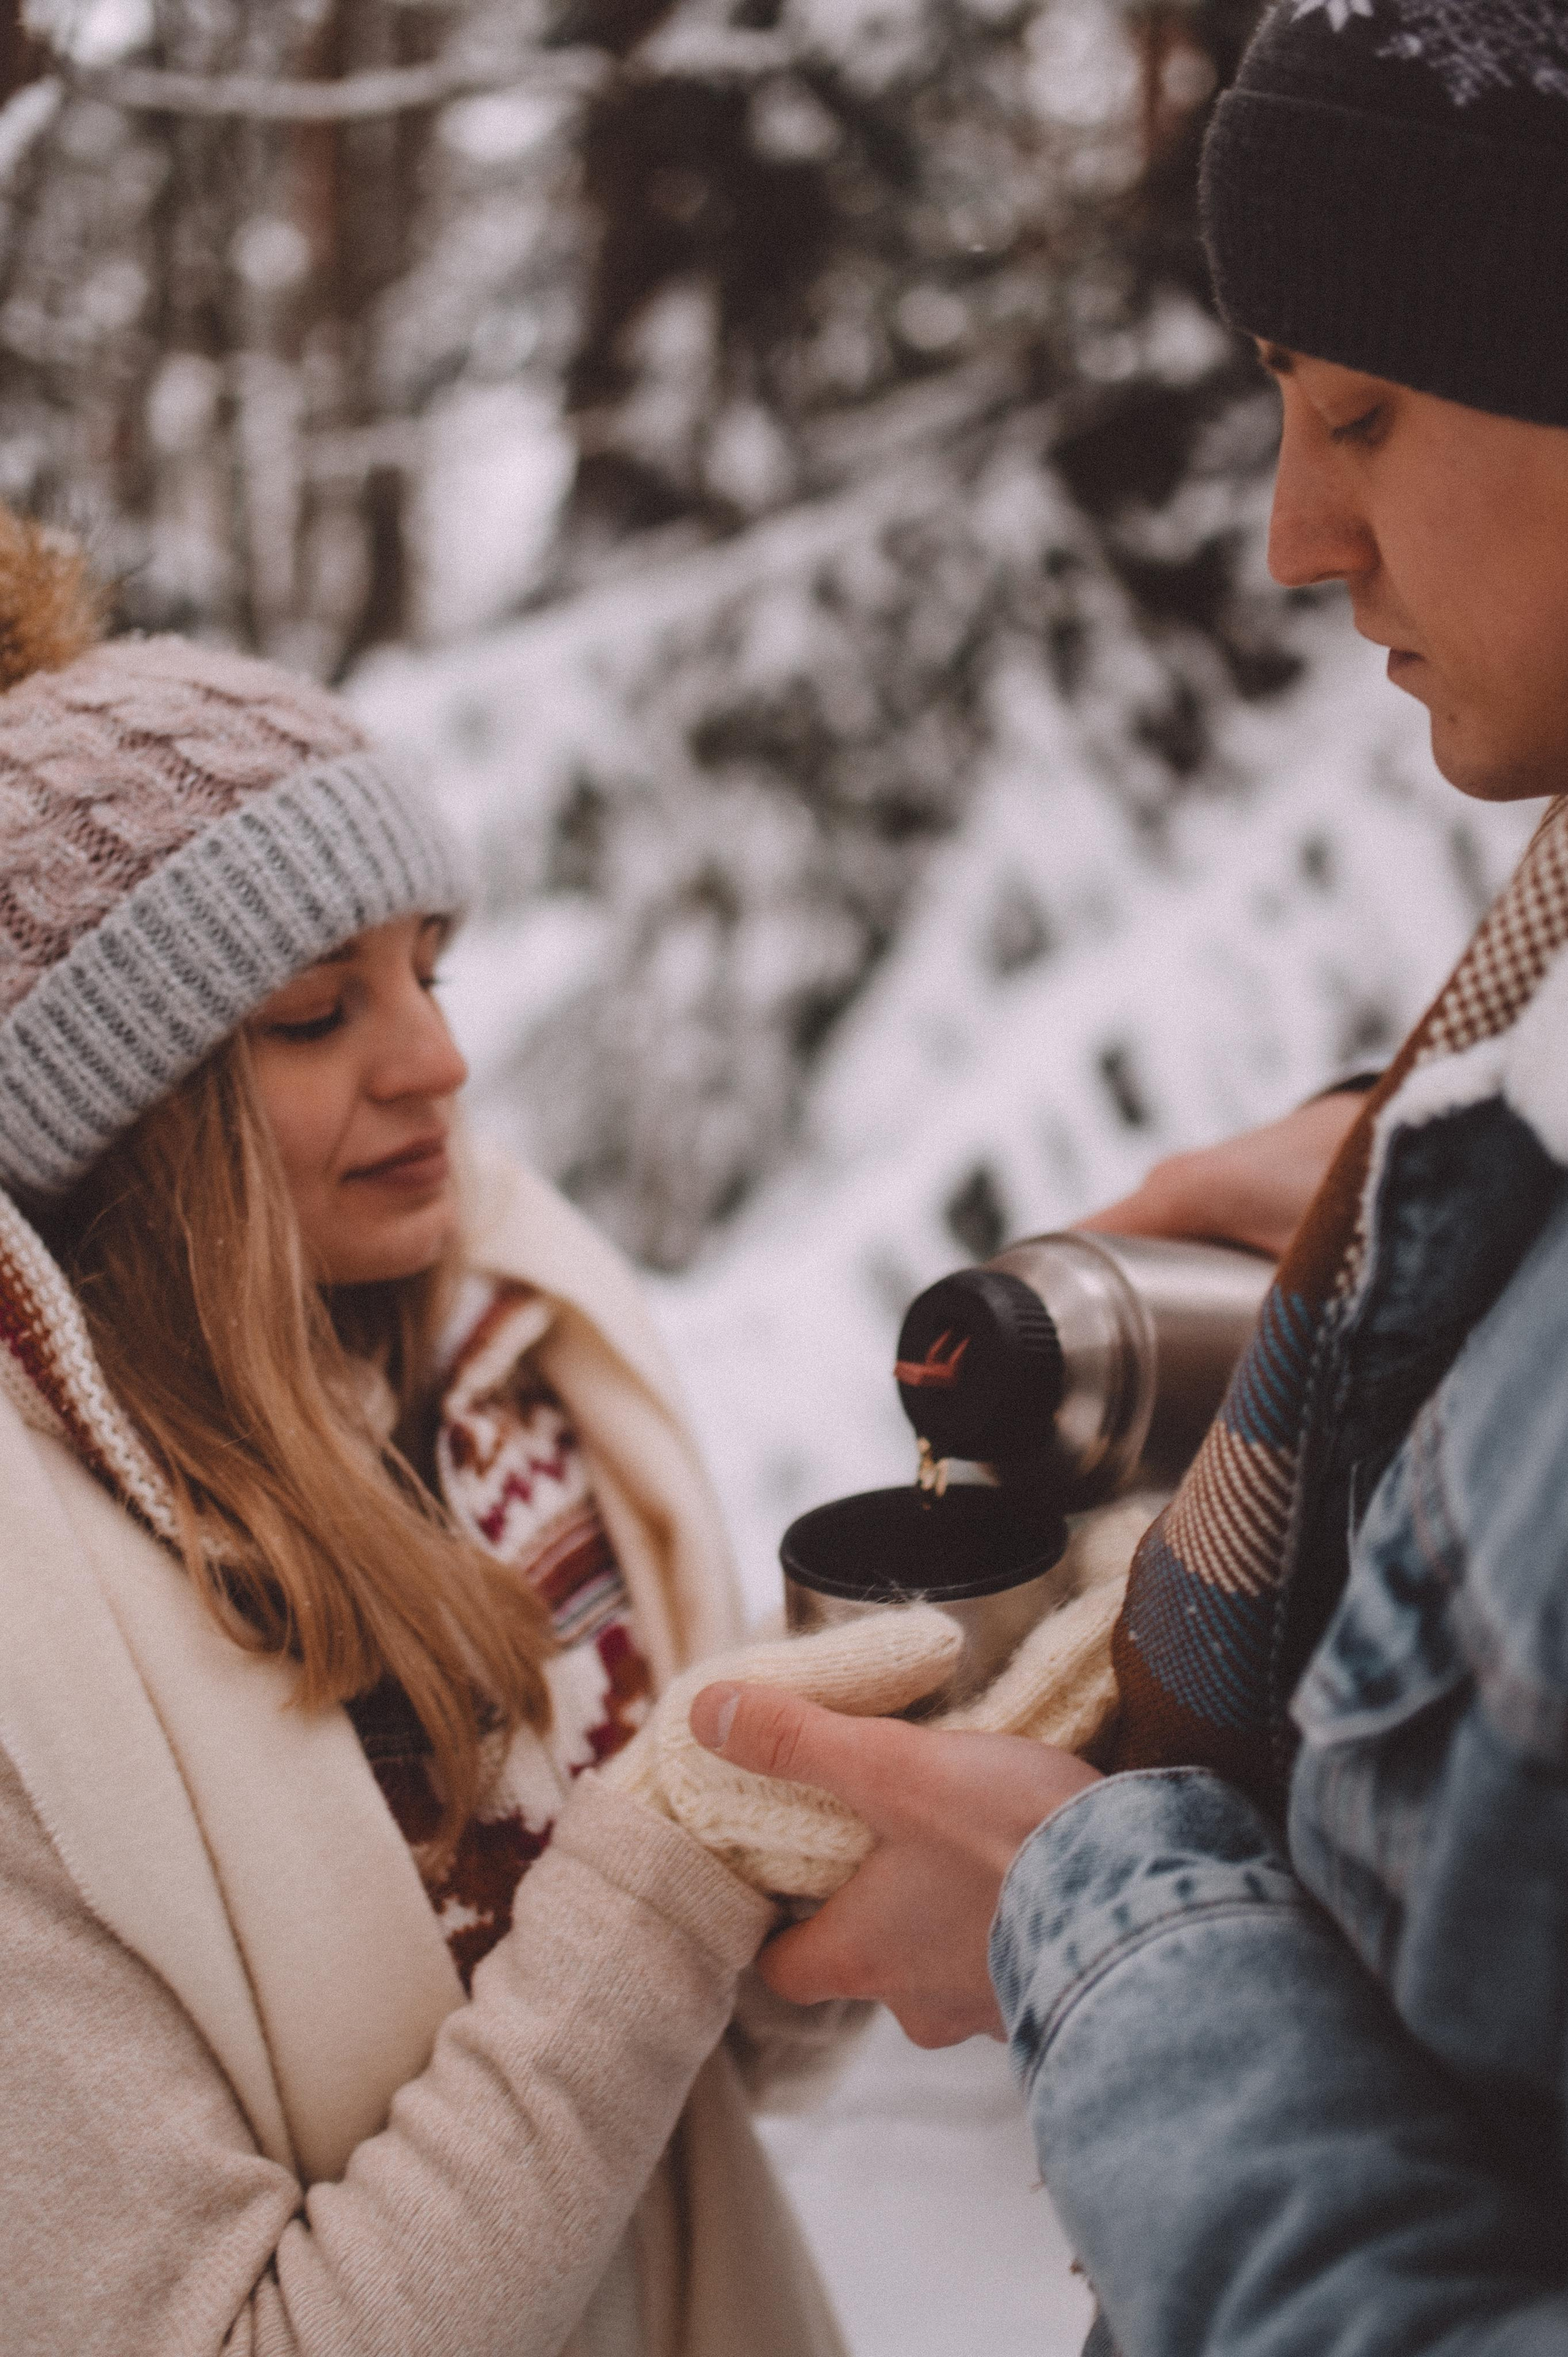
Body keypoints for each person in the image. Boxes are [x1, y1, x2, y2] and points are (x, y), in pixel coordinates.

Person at [686, 7, 1568, 2352]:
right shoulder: (1511, 1064)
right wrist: (1429, 1255)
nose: (1296, 534)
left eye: (1366, 408)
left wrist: (1086, 1907)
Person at [0, 518, 864, 2357]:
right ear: (124, 1131)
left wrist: (858, 1770)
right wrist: (675, 1860)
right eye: (318, 1014)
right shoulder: (31, 1649)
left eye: (429, 972)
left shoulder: (510, 1376)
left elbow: (724, 2063)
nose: (439, 1065)